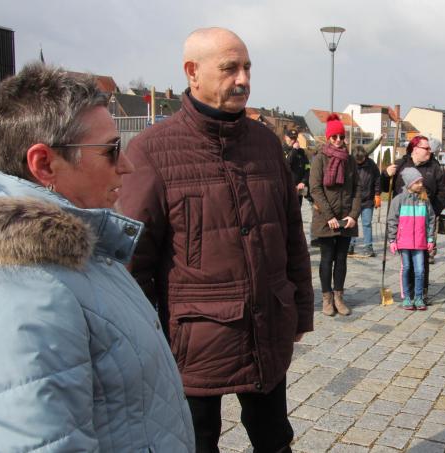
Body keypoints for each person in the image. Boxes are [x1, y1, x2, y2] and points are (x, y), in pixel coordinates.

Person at [0, 64, 194, 452]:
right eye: (111, 150)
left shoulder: (81, 248)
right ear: (44, 164)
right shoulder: (27, 289)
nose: (126, 165)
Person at [119, 28, 314, 453]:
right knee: (196, 442)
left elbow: (291, 235)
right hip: (194, 342)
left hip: (267, 327)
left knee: (275, 438)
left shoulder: (266, 144)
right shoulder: (152, 151)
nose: (243, 79)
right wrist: (148, 341)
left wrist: (299, 309)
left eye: (247, 67)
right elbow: (132, 264)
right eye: (229, 69)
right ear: (192, 72)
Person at [383, 135, 445, 299]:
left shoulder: (434, 167)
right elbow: (385, 188)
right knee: (407, 259)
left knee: (423, 257)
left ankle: (421, 292)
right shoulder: (400, 165)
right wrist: (385, 174)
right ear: (415, 149)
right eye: (426, 148)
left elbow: (444, 193)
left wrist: (431, 212)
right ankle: (408, 291)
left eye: (429, 148)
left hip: (425, 219)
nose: (429, 151)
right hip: (404, 221)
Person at [308, 113, 360, 316]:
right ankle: (327, 298)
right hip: (325, 219)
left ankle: (339, 297)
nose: (338, 141)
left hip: (346, 218)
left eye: (341, 137)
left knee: (342, 259)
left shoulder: (350, 160)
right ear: (328, 138)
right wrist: (329, 215)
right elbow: (315, 189)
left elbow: (357, 189)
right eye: (334, 137)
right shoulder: (320, 159)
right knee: (326, 259)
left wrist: (354, 215)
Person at [387, 167, 436, 310]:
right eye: (417, 182)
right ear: (409, 183)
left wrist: (430, 239)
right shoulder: (399, 200)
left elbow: (431, 220)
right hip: (404, 242)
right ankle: (407, 297)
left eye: (421, 182)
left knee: (420, 270)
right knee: (407, 268)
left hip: (420, 242)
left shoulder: (424, 200)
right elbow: (392, 220)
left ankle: (419, 297)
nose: (420, 185)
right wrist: (392, 240)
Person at [349, 137, 382, 257]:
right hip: (353, 200)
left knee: (367, 223)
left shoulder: (371, 165)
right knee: (352, 223)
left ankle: (368, 246)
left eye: (361, 159)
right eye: (357, 160)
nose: (360, 162)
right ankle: (350, 245)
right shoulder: (350, 164)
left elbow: (378, 180)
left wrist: (377, 194)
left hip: (368, 199)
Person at [283, 129, 310, 206]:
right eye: (291, 138)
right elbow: (286, 165)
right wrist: (294, 150)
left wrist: (303, 182)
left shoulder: (301, 152)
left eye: (295, 138)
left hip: (299, 189)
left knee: (297, 212)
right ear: (285, 137)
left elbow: (307, 168)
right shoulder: (281, 150)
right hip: (287, 188)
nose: (293, 141)